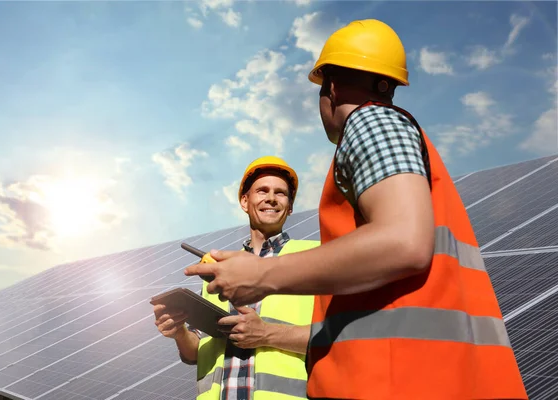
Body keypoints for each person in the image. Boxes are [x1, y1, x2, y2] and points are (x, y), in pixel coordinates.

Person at [184, 19, 528, 400]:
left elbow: (404, 241)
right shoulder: (397, 139)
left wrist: (262, 274)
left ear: (330, 88)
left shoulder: (370, 121)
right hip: (423, 377)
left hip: (399, 381)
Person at [154, 156, 319, 400]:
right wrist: (178, 331)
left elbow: (339, 338)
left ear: (290, 206)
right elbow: (195, 352)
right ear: (245, 201)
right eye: (262, 190)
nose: (271, 198)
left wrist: (267, 334)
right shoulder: (217, 270)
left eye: (281, 193)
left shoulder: (315, 259)